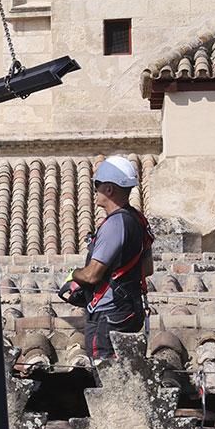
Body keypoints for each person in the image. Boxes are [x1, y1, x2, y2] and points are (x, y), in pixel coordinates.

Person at [59, 155, 154, 361]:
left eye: (97, 185)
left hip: (108, 314)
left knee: (105, 370)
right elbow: (147, 269)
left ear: (109, 189)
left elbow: (92, 275)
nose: (95, 191)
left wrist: (73, 275)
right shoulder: (138, 220)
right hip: (129, 309)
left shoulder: (114, 224)